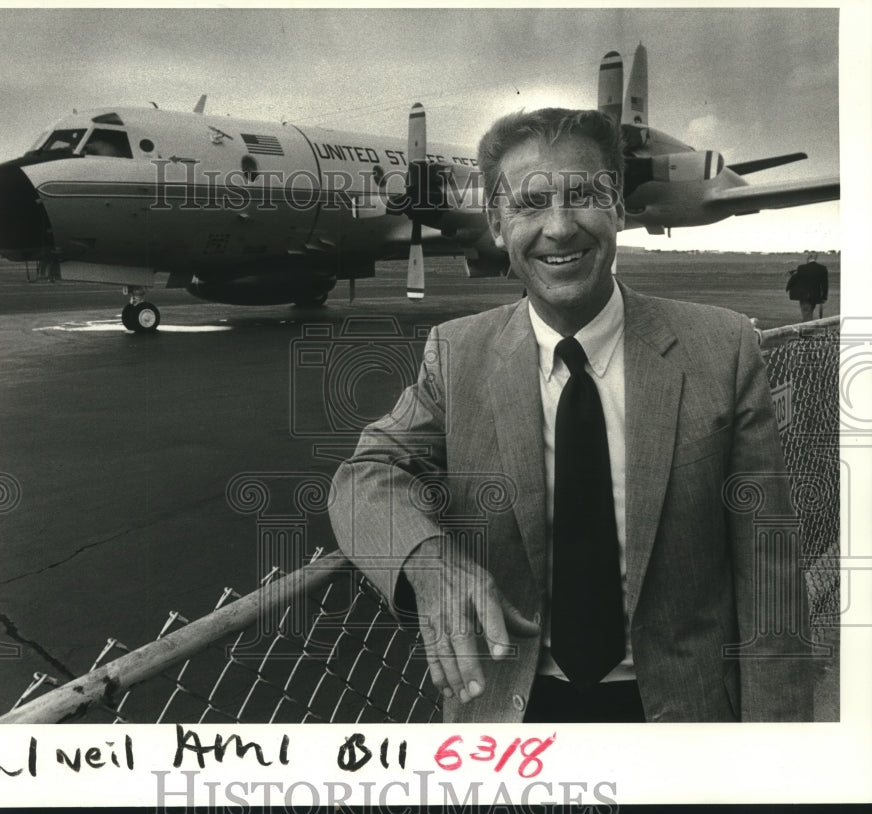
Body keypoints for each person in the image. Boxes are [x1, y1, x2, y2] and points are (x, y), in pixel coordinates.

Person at [328, 108, 815, 723]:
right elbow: (367, 472)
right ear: (498, 227)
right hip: (510, 717)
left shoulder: (723, 347)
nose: (560, 228)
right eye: (530, 204)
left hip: (682, 714)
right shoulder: (456, 353)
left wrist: (781, 754)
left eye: (585, 196)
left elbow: (767, 568)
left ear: (619, 211)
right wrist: (426, 558)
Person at [786, 253, 829, 321]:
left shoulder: (801, 267)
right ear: (816, 258)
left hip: (804, 295)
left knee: (806, 313)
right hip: (815, 295)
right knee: (809, 312)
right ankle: (806, 326)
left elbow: (794, 278)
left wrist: (788, 288)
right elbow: (825, 284)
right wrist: (824, 297)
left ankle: (808, 330)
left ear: (808, 258)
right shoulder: (822, 268)